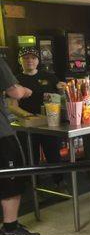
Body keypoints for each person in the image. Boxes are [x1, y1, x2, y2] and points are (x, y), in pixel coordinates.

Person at [8, 47, 66, 188]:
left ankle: (59, 182)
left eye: (33, 58)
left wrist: (63, 89)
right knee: (30, 157)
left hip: (49, 123)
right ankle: (33, 186)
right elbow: (12, 106)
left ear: (38, 60)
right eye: (26, 58)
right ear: (20, 60)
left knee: (54, 155)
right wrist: (27, 116)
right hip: (28, 125)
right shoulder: (15, 80)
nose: (30, 61)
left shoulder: (49, 77)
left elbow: (62, 96)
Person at [0, 56, 41, 235]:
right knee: (11, 178)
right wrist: (25, 91)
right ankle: (10, 227)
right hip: (2, 134)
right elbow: (15, 92)